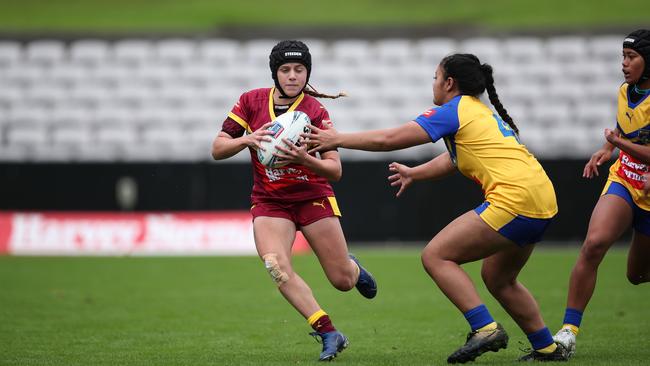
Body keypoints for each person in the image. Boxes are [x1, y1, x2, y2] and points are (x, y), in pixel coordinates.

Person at [303, 53, 569, 363]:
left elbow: (390, 139)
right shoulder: (478, 112)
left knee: (436, 255)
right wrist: (415, 173)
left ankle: (484, 328)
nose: (434, 83)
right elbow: (455, 159)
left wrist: (337, 139)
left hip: (515, 199)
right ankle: (546, 347)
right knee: (499, 278)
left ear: (449, 83)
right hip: (543, 198)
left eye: (435, 77)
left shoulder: (453, 110)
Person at [210, 40, 377, 362]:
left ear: (307, 73)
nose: (292, 76)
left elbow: (335, 170)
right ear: (274, 72)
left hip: (312, 196)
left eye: (299, 70)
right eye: (285, 69)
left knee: (341, 280)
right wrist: (248, 137)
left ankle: (353, 267)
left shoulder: (315, 110)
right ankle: (329, 332)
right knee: (276, 265)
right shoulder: (250, 102)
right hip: (270, 201)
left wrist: (305, 159)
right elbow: (217, 149)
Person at [553, 29, 650, 357]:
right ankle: (568, 332)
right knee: (593, 245)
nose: (624, 64)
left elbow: (635, 143)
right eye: (623, 57)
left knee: (636, 276)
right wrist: (606, 148)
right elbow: (626, 128)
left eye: (632, 57)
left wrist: (618, 143)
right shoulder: (625, 91)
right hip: (624, 179)